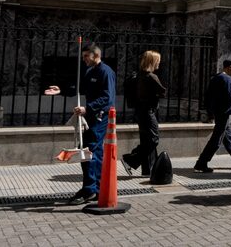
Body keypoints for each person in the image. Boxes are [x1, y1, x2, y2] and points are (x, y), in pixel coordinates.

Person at [45, 43, 116, 205]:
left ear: (95, 56)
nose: (83, 59)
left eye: (86, 56)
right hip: (91, 116)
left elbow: (107, 98)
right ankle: (94, 188)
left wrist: (87, 108)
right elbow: (79, 87)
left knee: (89, 150)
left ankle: (90, 189)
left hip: (99, 117)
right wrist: (61, 90)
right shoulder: (90, 71)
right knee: (91, 151)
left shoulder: (106, 72)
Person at [194, 59, 231, 177]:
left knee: (228, 138)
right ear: (229, 67)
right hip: (224, 113)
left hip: (218, 112)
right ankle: (202, 163)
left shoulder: (216, 78)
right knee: (216, 140)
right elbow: (229, 96)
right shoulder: (227, 79)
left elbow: (208, 96)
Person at [121, 50, 167, 177]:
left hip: (139, 111)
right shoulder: (152, 76)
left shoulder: (139, 75)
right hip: (148, 112)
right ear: (152, 61)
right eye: (158, 60)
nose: (159, 62)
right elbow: (162, 92)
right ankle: (130, 160)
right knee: (153, 139)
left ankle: (148, 170)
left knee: (146, 140)